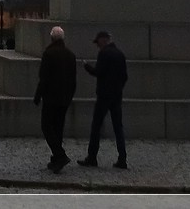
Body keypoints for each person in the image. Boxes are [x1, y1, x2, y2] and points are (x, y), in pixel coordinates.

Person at [79, 31, 128, 169]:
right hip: (116, 96)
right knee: (118, 127)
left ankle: (92, 157)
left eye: (98, 42)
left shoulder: (104, 53)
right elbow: (125, 76)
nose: (97, 45)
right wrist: (118, 88)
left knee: (96, 126)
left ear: (103, 40)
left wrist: (86, 66)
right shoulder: (120, 54)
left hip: (104, 96)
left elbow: (98, 72)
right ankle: (122, 158)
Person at [32, 26, 77, 173]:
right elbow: (73, 79)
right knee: (58, 128)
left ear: (51, 38)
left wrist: (38, 95)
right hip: (64, 98)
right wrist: (70, 96)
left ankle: (60, 155)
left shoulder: (49, 54)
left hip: (51, 97)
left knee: (46, 126)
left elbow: (44, 78)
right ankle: (57, 158)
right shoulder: (70, 55)